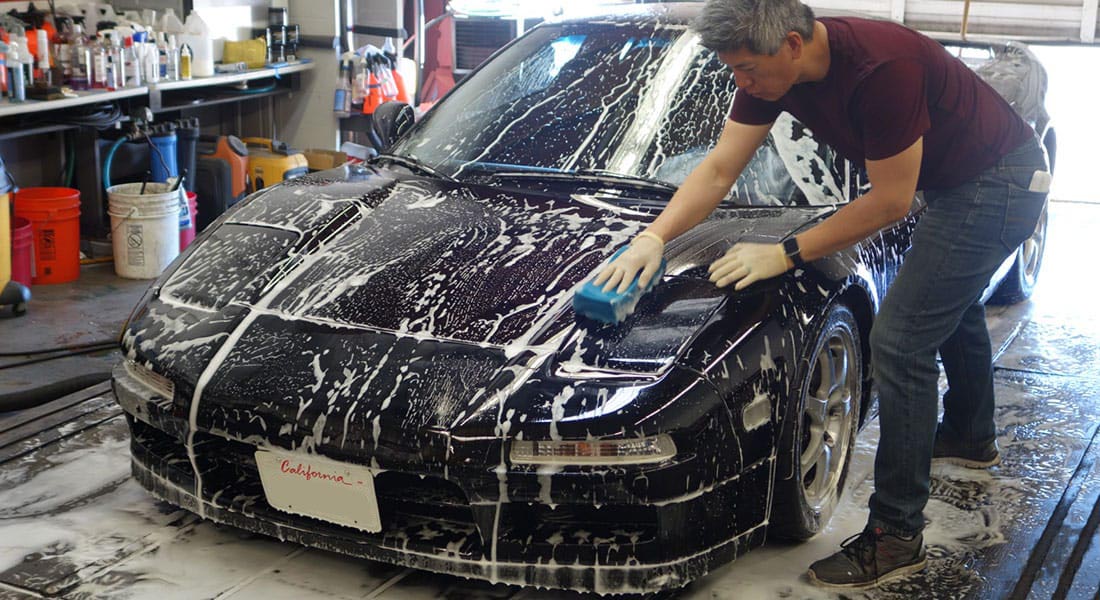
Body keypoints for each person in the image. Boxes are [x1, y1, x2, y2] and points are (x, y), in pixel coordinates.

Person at [593, 0, 1050, 590]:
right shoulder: (767, 71)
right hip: (957, 177)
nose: (741, 82)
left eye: (746, 69)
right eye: (733, 70)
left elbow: (889, 202)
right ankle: (968, 434)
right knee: (944, 296)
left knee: (901, 339)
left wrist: (784, 252)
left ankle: (895, 536)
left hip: (1000, 184)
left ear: (791, 43)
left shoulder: (880, 68)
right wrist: (652, 238)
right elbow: (718, 169)